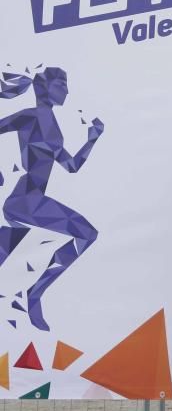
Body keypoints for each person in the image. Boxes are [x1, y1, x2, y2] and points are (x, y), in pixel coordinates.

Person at [0, 67, 102, 332]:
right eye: (61, 85)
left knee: (86, 234)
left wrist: (92, 139)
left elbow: (70, 166)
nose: (66, 90)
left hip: (32, 199)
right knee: (86, 233)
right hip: (24, 199)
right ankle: (34, 293)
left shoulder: (52, 125)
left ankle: (33, 289)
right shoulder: (30, 116)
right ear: (45, 88)